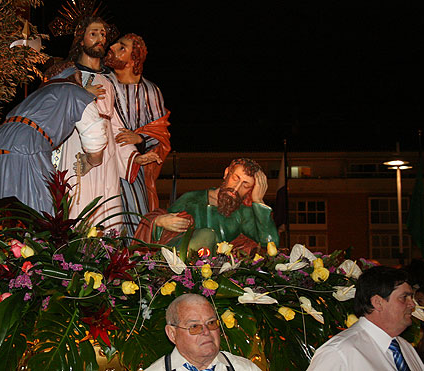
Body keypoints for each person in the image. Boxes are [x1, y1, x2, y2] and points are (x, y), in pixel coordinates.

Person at [53, 18, 160, 232]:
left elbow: (115, 124)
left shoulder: (109, 82)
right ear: (81, 40)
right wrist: (80, 95)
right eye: (94, 34)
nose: (101, 39)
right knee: (77, 205)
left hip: (107, 157)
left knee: (107, 210)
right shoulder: (65, 76)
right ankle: (69, 263)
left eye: (103, 34)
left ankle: (104, 260)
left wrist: (134, 156)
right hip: (77, 150)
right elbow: (51, 110)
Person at [0, 65, 108, 214]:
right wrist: (92, 161)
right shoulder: (74, 92)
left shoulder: (39, 95)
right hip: (26, 149)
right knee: (47, 213)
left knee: (2, 216)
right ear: (74, 77)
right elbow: (95, 135)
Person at [104, 33, 171, 238]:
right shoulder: (103, 84)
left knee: (135, 219)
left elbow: (161, 132)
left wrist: (140, 139)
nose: (113, 47)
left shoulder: (150, 91)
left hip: (135, 171)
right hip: (104, 164)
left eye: (122, 47)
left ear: (134, 59)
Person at [134, 158, 279, 251]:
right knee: (206, 235)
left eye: (245, 185)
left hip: (216, 276)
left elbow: (270, 244)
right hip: (182, 266)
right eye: (236, 178)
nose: (236, 188)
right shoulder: (191, 199)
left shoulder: (243, 213)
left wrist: (259, 201)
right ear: (226, 173)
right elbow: (161, 228)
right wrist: (160, 221)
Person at [307, 266, 424, 371]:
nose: (412, 304)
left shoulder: (405, 348)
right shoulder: (339, 353)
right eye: (404, 297)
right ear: (377, 302)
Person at [145, 293, 261, 371]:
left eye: (211, 323)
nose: (206, 332)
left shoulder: (245, 368)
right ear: (172, 334)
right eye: (194, 326)